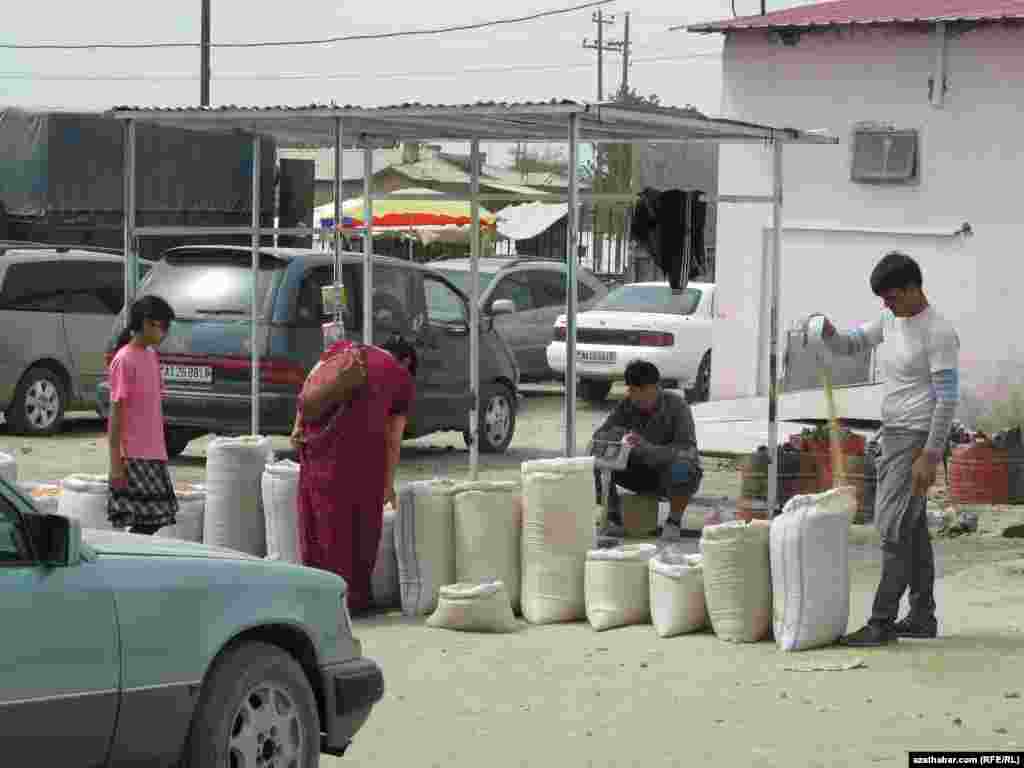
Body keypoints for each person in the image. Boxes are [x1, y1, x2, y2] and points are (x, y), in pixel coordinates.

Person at [816, 251, 959, 647]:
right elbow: (851, 345)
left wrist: (930, 455)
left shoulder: (938, 332)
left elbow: (947, 398)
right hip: (894, 433)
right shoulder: (889, 320)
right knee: (910, 529)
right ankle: (922, 616)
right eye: (883, 299)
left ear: (914, 289)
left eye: (892, 296)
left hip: (917, 438)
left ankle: (881, 622)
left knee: (892, 529)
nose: (886, 305)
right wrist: (828, 332)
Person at [290, 335, 416, 614]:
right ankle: (351, 601)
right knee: (358, 530)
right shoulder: (400, 377)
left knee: (317, 525)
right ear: (406, 361)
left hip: (317, 450)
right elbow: (394, 438)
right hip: (360, 463)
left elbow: (309, 388)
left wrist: (297, 427)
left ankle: (315, 598)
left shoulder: (341, 348)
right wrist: (388, 483)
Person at [591, 360, 703, 542]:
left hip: (666, 474)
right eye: (633, 391)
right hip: (637, 472)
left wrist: (647, 448)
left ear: (656, 387)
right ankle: (613, 516)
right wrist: (612, 435)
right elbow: (599, 436)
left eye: (643, 391)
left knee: (684, 466)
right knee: (593, 461)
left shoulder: (677, 406)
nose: (638, 397)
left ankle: (673, 522)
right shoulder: (626, 406)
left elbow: (686, 449)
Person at [107, 295, 179, 535]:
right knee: (146, 520)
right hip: (132, 455)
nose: (166, 333)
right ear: (148, 323)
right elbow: (115, 418)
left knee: (156, 518)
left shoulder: (150, 355)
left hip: (154, 452)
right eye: (164, 326)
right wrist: (116, 463)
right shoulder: (123, 360)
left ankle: (131, 556)